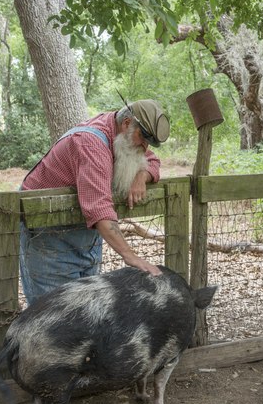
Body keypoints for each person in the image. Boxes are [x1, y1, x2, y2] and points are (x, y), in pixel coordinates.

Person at [18, 98, 170, 305]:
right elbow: (99, 209)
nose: (145, 147)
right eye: (143, 137)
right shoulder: (92, 143)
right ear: (127, 124)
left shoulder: (122, 136)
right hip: (47, 229)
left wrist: (141, 176)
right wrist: (131, 256)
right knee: (55, 311)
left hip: (83, 235)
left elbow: (153, 161)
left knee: (84, 309)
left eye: (149, 142)